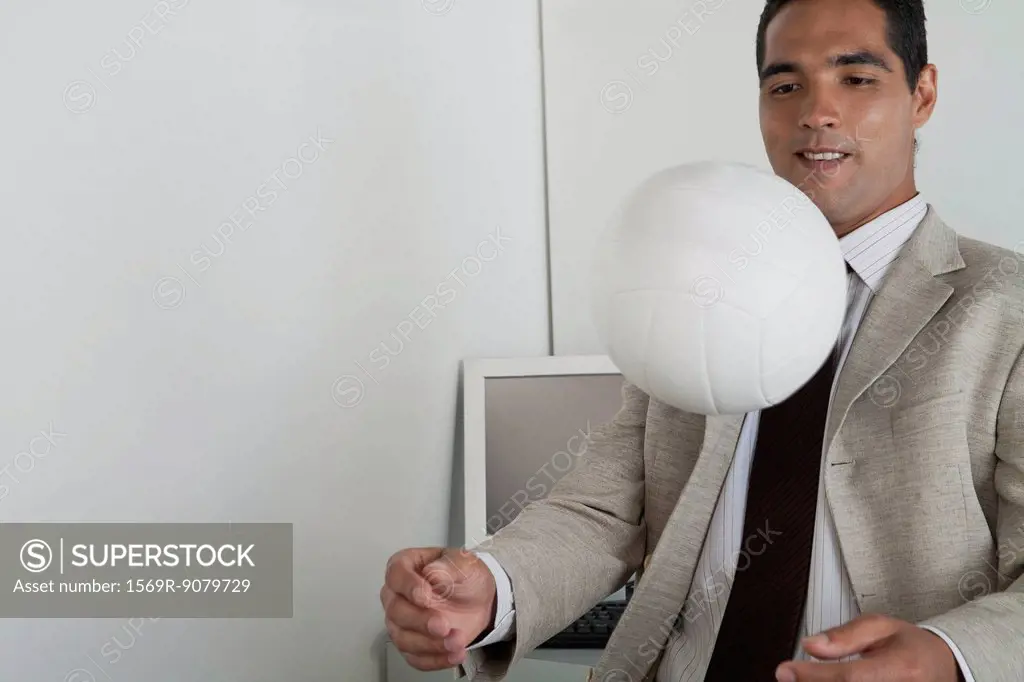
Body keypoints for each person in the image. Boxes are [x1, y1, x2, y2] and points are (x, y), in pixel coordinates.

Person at [380, 0, 1024, 680]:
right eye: (785, 85)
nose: (816, 112)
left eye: (856, 79)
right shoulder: (699, 289)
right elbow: (604, 507)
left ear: (922, 93)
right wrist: (493, 584)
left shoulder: (1005, 308)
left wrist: (949, 656)